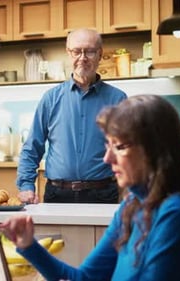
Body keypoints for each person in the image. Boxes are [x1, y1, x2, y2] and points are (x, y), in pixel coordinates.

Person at [1, 95, 180, 281]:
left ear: (155, 150)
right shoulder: (132, 205)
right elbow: (85, 278)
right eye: (108, 146)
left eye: (119, 147)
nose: (107, 158)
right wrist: (28, 245)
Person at [16, 28, 127, 204]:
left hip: (103, 194)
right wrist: (26, 186)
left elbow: (127, 150)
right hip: (57, 194)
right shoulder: (51, 98)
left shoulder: (118, 99)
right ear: (69, 53)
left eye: (89, 51)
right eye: (77, 51)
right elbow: (32, 147)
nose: (82, 58)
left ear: (100, 54)